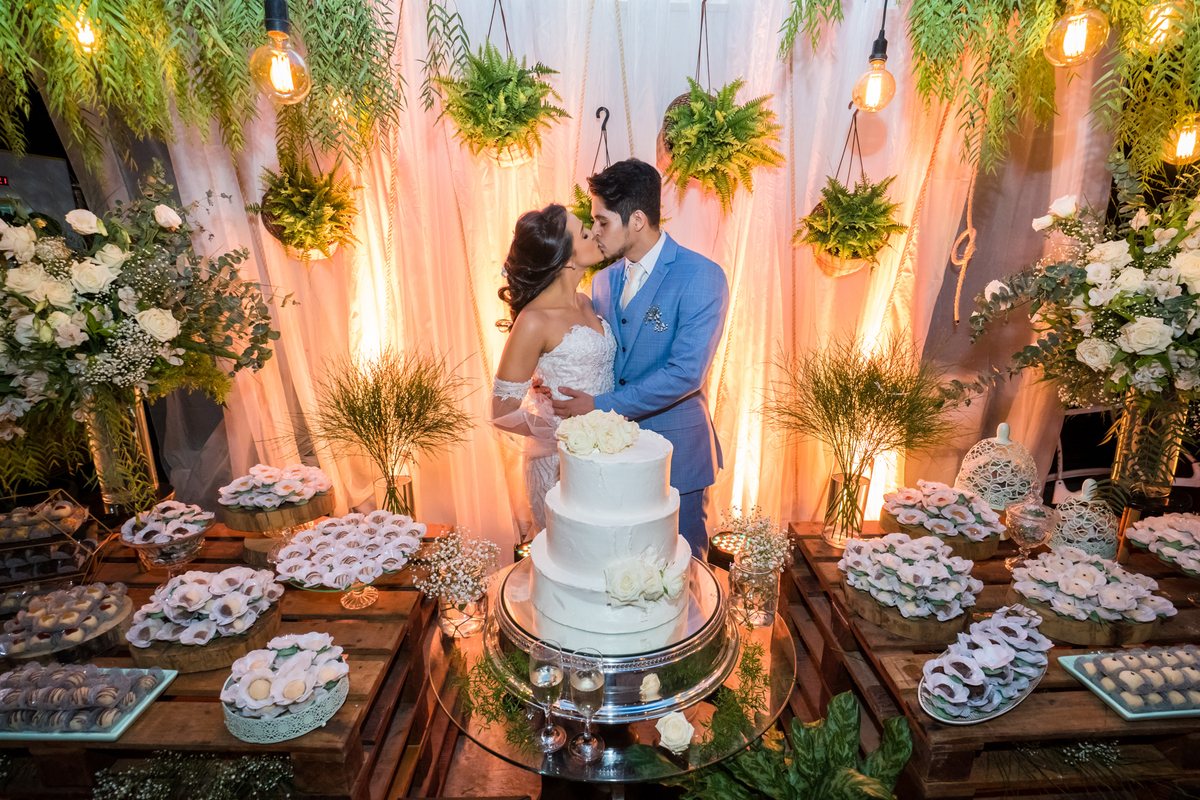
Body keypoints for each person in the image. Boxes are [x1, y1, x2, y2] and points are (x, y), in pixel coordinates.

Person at [549, 159, 730, 560]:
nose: (594, 231)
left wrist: (599, 405)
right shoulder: (602, 280)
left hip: (678, 453)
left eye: (602, 221)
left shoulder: (702, 276)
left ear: (636, 220)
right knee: (623, 564)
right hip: (613, 460)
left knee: (682, 568)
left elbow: (686, 374)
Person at [490, 204, 611, 533]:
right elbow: (501, 410)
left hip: (608, 454)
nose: (596, 233)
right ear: (567, 259)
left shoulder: (586, 301)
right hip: (559, 462)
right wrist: (556, 430)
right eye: (585, 233)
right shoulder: (533, 320)